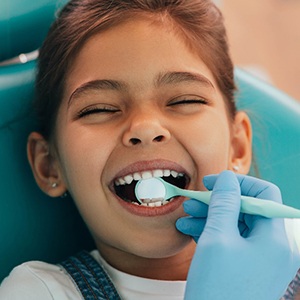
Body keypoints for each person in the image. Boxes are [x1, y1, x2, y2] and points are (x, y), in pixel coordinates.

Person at [0, 0, 299, 299]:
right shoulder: (39, 292)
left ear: (238, 146)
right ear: (49, 164)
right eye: (100, 109)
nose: (145, 128)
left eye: (184, 101)